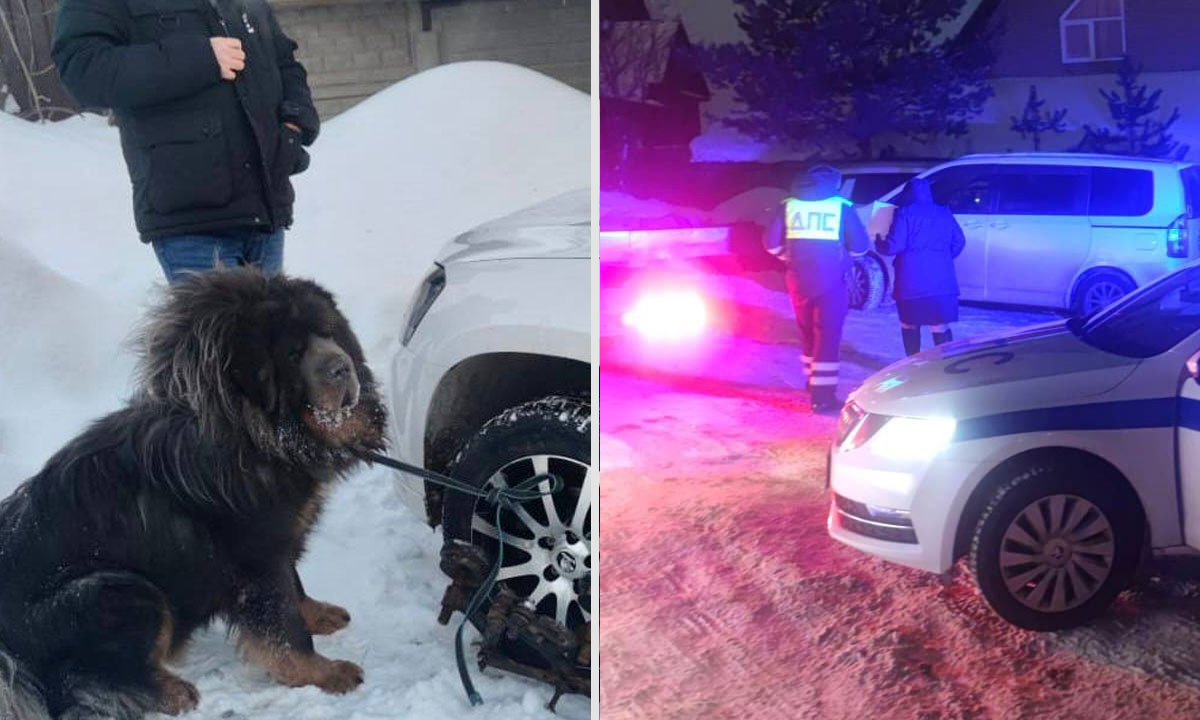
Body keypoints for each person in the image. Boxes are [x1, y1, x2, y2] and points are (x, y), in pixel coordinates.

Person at [52, 0, 319, 284]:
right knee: (218, 329)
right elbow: (83, 69)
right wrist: (201, 57)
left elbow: (284, 61)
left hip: (266, 211)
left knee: (271, 328)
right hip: (193, 220)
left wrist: (295, 123)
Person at [767, 166, 869, 415]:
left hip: (798, 279)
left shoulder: (788, 205)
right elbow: (860, 246)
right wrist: (847, 258)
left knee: (807, 331)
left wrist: (789, 259)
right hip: (831, 279)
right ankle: (822, 398)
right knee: (828, 334)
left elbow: (770, 243)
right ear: (833, 183)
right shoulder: (840, 205)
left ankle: (812, 383)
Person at [875, 177, 966, 356]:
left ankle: (913, 366)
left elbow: (895, 246)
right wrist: (943, 258)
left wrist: (880, 243)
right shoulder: (944, 212)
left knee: (909, 323)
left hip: (912, 281)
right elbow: (960, 242)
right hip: (942, 281)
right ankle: (946, 366)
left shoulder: (905, 213)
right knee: (939, 325)